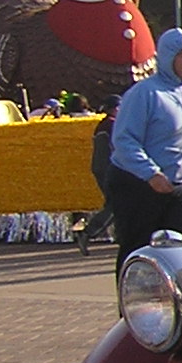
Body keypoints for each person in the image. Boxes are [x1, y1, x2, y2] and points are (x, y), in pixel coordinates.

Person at [108, 28, 182, 277]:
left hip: (180, 185)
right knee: (138, 250)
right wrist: (150, 173)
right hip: (138, 184)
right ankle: (133, 308)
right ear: (166, 57)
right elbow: (124, 140)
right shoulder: (144, 93)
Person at [74, 94, 118, 256]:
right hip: (110, 168)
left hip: (101, 168)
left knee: (116, 204)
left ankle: (122, 236)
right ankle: (88, 233)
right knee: (116, 204)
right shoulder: (113, 126)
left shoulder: (102, 125)